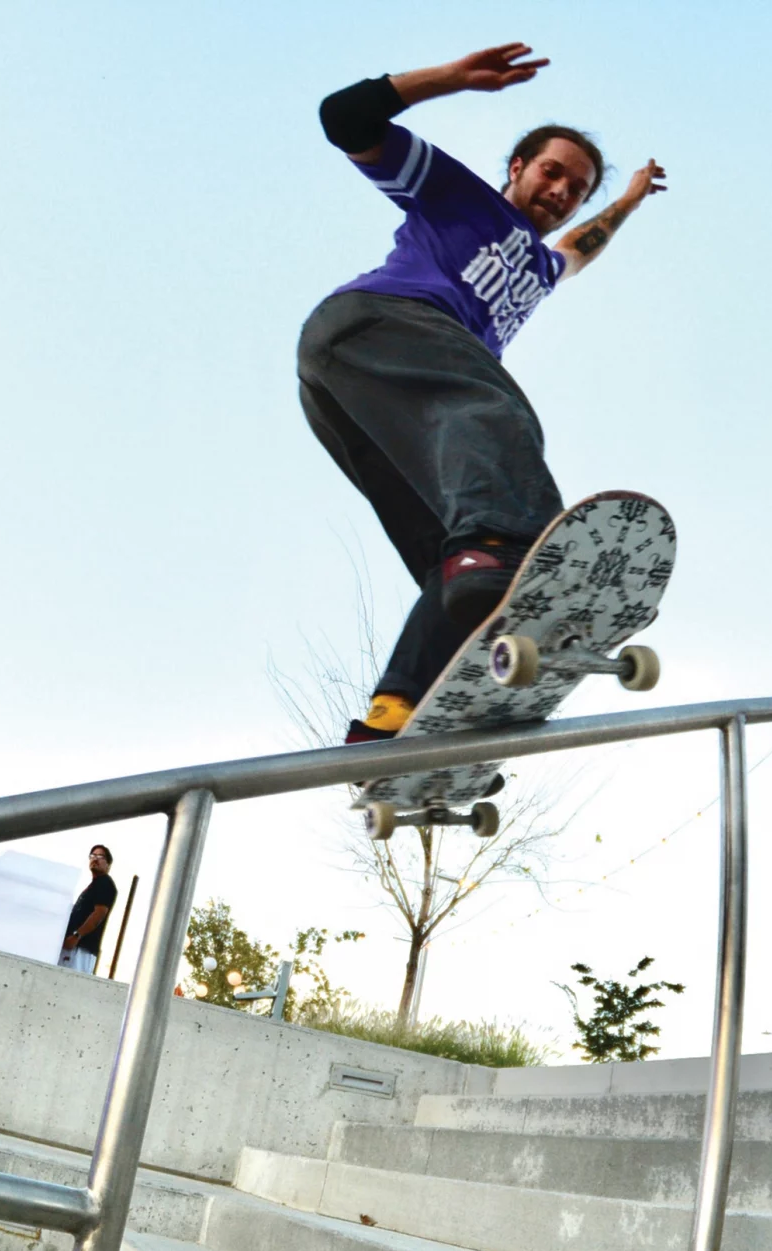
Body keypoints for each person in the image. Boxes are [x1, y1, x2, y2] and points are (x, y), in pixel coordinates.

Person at [300, 43, 667, 742]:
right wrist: (448, 79)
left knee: (455, 563)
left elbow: (583, 247)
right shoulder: (455, 193)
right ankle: (506, 544)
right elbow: (344, 119)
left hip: (357, 393)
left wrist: (627, 200)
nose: (561, 192)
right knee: (497, 418)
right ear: (517, 167)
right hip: (381, 323)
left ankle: (400, 713)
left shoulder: (543, 267)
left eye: (577, 188)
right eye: (552, 172)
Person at [60, 845, 118, 974]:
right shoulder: (93, 885)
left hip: (81, 949)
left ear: (108, 865)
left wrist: (76, 936)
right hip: (74, 948)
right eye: (92, 856)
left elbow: (99, 913)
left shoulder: (105, 883)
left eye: (100, 856)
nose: (95, 859)